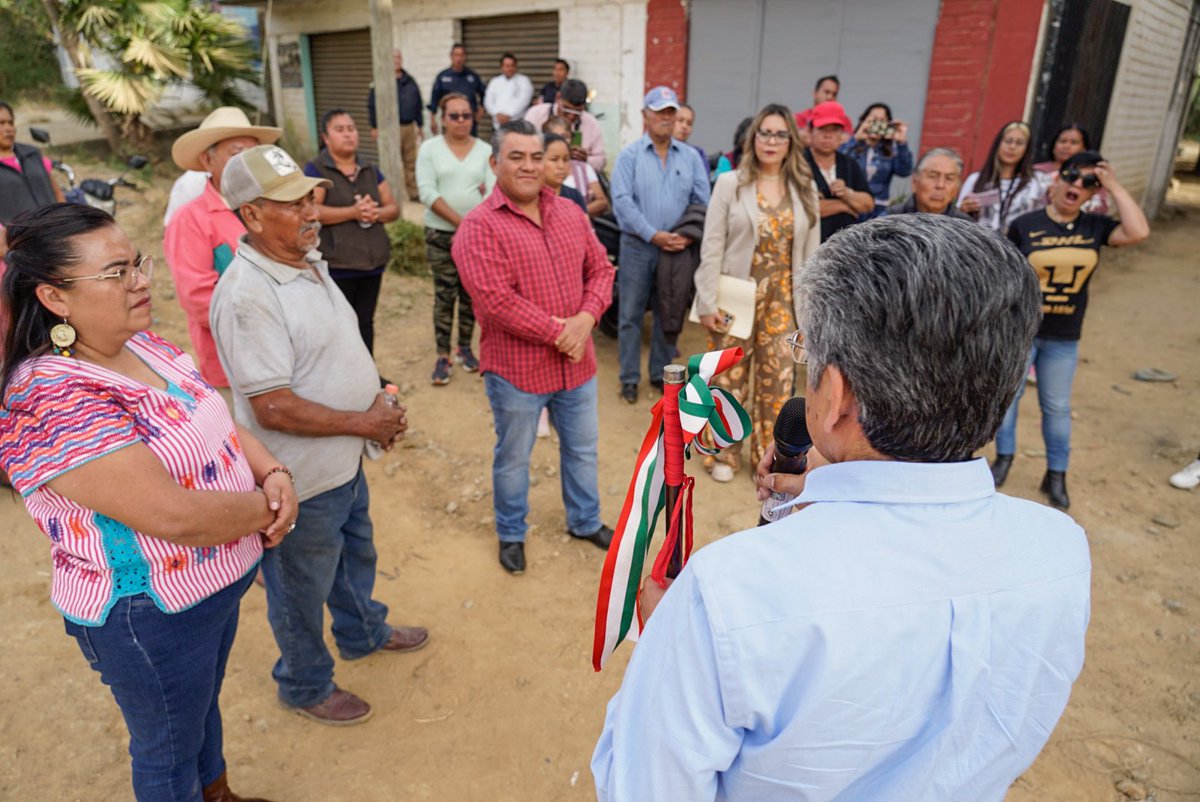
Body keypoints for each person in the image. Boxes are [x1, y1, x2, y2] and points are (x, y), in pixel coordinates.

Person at [593, 214, 1091, 801]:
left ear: (838, 397)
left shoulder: (727, 596)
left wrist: (671, 640)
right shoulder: (1060, 550)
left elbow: (645, 787)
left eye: (808, 354)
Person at [0, 203, 298, 801]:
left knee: (199, 709)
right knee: (166, 749)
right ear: (55, 299)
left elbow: (210, 412)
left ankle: (218, 795)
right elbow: (173, 516)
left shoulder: (144, 345)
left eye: (136, 262)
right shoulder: (52, 398)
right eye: (115, 273)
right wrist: (271, 507)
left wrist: (273, 468)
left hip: (213, 587)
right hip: (150, 615)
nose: (141, 279)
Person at [210, 144, 428, 727]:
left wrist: (375, 392)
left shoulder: (306, 261)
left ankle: (362, 631)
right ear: (252, 215)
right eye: (292, 202)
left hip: (344, 462)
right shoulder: (248, 296)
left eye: (310, 196)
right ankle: (304, 683)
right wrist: (366, 421)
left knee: (354, 555)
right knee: (299, 589)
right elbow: (273, 406)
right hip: (299, 481)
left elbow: (332, 350)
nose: (311, 209)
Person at [452, 120, 616, 574]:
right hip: (517, 372)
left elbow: (601, 270)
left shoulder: (569, 212)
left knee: (582, 449)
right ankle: (510, 532)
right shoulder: (478, 228)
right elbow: (495, 301)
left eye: (535, 156)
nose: (528, 166)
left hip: (576, 367)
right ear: (494, 163)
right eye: (516, 156)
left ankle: (584, 521)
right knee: (514, 457)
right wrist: (559, 332)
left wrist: (585, 320)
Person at [991, 151, 1149, 509]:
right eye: (1072, 176)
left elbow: (1138, 231)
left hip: (1064, 336)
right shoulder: (1026, 224)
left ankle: (1057, 474)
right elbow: (1007, 276)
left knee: (1057, 406)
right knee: (1008, 400)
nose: (1077, 185)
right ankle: (1004, 459)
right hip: (1024, 331)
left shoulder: (1094, 226)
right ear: (1057, 180)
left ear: (1095, 192)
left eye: (1088, 182)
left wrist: (1113, 185)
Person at [693, 103, 820, 482]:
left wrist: (813, 314)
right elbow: (711, 245)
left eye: (780, 134)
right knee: (728, 378)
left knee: (778, 382)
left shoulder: (805, 188)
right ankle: (722, 454)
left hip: (784, 300)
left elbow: (813, 256)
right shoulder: (731, 182)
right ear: (754, 138)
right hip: (734, 296)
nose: (771, 141)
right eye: (765, 132)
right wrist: (705, 300)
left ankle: (771, 454)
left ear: (790, 141)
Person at [164, 106, 281, 391]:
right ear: (208, 160)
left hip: (286, 353)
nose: (246, 163)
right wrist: (272, 319)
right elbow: (200, 300)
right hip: (233, 364)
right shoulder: (190, 220)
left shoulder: (272, 208)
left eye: (252, 154)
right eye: (236, 152)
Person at [610, 86, 710, 404]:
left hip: (678, 250)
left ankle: (659, 375)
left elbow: (702, 199)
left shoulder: (691, 157)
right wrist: (653, 234)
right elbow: (622, 202)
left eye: (671, 112)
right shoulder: (629, 156)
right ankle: (628, 378)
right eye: (660, 112)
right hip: (639, 246)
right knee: (630, 315)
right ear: (645, 116)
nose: (666, 118)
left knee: (670, 313)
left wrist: (686, 236)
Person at [304, 109, 399, 358]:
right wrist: (353, 212)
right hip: (337, 264)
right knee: (339, 326)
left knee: (365, 322)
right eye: (340, 129)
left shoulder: (370, 169)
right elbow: (312, 211)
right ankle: (343, 381)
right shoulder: (316, 169)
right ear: (326, 137)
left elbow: (393, 208)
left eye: (351, 128)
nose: (348, 134)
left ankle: (368, 375)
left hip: (372, 262)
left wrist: (374, 213)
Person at [416, 93, 494, 385]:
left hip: (477, 238)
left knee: (471, 295)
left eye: (466, 115)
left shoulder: (486, 150)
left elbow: (491, 193)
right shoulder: (429, 149)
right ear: (441, 118)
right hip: (440, 235)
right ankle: (442, 354)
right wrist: (462, 223)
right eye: (454, 115)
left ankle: (464, 348)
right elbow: (427, 192)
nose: (461, 121)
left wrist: (472, 227)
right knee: (445, 294)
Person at [957, 120, 1044, 234]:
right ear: (998, 144)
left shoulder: (1037, 181)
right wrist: (963, 210)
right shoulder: (975, 179)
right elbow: (957, 220)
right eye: (1008, 141)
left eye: (1019, 143)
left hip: (1019, 247)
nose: (1012, 147)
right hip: (982, 245)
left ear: (1027, 149)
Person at [804, 101, 874, 241]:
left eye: (834, 130)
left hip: (845, 247)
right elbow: (804, 209)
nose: (828, 135)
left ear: (842, 134)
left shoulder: (849, 163)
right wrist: (844, 206)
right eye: (822, 129)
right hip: (809, 243)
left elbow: (868, 204)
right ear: (811, 131)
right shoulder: (799, 162)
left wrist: (847, 194)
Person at [366, 48, 424, 202]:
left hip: (408, 127)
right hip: (388, 129)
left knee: (411, 162)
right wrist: (374, 126)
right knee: (390, 163)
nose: (396, 61)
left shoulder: (410, 81)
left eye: (398, 57)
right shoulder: (380, 81)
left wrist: (420, 125)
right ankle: (389, 195)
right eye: (393, 58)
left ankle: (413, 193)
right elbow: (372, 105)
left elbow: (418, 104)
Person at [839, 102, 913, 218]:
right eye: (873, 119)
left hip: (879, 209)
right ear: (864, 121)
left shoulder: (890, 150)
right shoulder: (852, 145)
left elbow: (904, 171)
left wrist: (901, 143)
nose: (877, 124)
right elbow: (836, 162)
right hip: (853, 204)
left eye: (882, 121)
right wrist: (855, 139)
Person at [0, 100, 66, 225]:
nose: (8, 128)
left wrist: (65, 217)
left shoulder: (32, 154)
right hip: (18, 239)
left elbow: (56, 191)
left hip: (53, 229)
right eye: (1, 123)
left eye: (10, 123)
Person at [523, 78, 606, 172]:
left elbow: (601, 160)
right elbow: (523, 148)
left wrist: (586, 160)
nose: (571, 116)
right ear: (558, 98)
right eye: (566, 109)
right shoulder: (536, 115)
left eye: (577, 112)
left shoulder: (590, 123)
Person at [1034, 123, 1109, 215]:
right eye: (1062, 141)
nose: (1066, 146)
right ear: (1054, 146)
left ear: (1084, 149)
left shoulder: (1092, 176)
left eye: (1074, 142)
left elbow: (1101, 209)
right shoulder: (1036, 171)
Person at [541, 116, 608, 216]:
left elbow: (602, 202)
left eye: (565, 137)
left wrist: (575, 213)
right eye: (554, 159)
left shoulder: (576, 189)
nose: (561, 166)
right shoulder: (535, 190)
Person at [886, 147, 972, 218]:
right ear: (914, 182)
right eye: (933, 176)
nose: (940, 185)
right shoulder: (890, 218)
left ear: (957, 187)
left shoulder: (965, 227)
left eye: (949, 178)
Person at [428, 43, 484, 137]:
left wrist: (481, 110)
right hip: (450, 121)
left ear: (465, 57)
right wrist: (432, 120)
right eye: (456, 55)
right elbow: (434, 98)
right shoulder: (443, 77)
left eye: (461, 55)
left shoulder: (472, 76)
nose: (459, 58)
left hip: (468, 122)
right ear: (451, 56)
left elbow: (485, 94)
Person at [484, 52, 533, 127]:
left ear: (516, 66)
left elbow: (524, 101)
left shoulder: (524, 81)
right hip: (497, 124)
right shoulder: (495, 81)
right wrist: (497, 113)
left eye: (512, 66)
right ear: (502, 67)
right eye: (507, 66)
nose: (510, 69)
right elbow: (488, 101)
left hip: (517, 124)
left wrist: (509, 115)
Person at [794, 75, 845, 146]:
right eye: (827, 92)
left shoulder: (844, 119)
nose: (830, 97)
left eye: (834, 94)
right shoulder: (799, 117)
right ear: (815, 93)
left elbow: (847, 141)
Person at [543, 133, 588, 212]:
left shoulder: (574, 195)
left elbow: (584, 222)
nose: (561, 166)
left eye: (566, 159)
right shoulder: (532, 198)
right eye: (554, 159)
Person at [673, 103, 707, 175]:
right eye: (680, 120)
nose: (685, 126)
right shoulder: (657, 150)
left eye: (689, 123)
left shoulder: (698, 153)